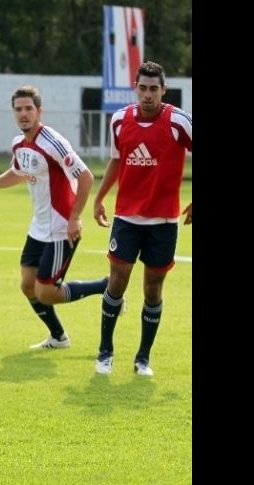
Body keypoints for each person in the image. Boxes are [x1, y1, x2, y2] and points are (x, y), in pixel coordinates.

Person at [0, 85, 108, 349]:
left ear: (39, 111)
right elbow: (17, 173)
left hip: (62, 228)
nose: (23, 114)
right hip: (38, 228)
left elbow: (85, 177)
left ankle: (104, 286)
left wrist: (75, 217)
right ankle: (59, 337)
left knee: (46, 292)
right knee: (28, 286)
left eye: (29, 108)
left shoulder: (53, 143)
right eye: (18, 109)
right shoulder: (19, 144)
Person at [92, 61, 192, 377]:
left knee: (153, 288)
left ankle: (143, 358)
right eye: (143, 88)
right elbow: (116, 160)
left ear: (163, 90)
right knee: (117, 280)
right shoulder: (120, 120)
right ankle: (105, 351)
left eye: (154, 89)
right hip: (127, 217)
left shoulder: (179, 122)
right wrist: (99, 197)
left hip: (164, 221)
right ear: (135, 88)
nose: (148, 95)